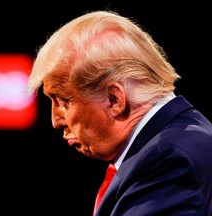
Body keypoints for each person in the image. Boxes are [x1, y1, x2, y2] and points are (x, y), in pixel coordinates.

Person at [25, 10, 212, 215]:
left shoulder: (167, 160)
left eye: (63, 101)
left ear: (114, 100)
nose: (55, 120)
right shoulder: (172, 142)